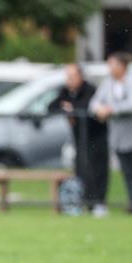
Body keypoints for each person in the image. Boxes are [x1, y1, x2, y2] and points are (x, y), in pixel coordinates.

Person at [90, 52, 132, 213]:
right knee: (127, 172)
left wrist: (111, 110)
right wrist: (99, 109)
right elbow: (94, 102)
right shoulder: (108, 83)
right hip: (117, 136)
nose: (109, 68)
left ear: (122, 66)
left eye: (112, 64)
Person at [49, 64, 109, 217]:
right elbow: (52, 106)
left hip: (96, 137)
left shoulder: (90, 90)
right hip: (79, 139)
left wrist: (72, 109)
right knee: (81, 170)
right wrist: (66, 109)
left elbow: (87, 108)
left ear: (80, 76)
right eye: (67, 77)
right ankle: (83, 201)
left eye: (72, 77)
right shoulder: (65, 91)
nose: (69, 80)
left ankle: (98, 203)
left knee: (97, 170)